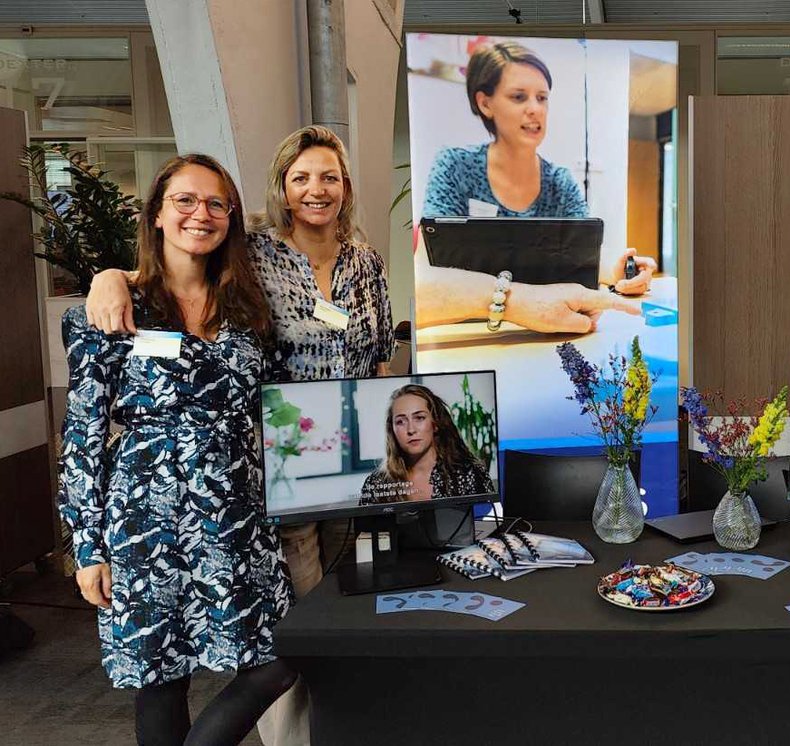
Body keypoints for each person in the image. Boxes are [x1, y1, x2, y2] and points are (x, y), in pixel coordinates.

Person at [85, 125, 393, 746]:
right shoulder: (253, 254)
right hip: (275, 469)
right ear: (282, 187)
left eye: (329, 176)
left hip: (353, 466)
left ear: (347, 186)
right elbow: (179, 258)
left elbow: (381, 358)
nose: (316, 189)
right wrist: (109, 275)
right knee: (289, 634)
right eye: (301, 177)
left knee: (343, 616)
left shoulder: (366, 262)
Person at [59, 154, 295, 745]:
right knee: (161, 679)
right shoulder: (111, 309)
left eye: (217, 203)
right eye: (185, 200)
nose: (201, 214)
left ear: (231, 219)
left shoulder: (248, 312)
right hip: (146, 526)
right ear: (158, 214)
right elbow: (83, 436)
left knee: (280, 657)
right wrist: (87, 546)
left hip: (236, 520)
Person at [415, 40, 651, 333]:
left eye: (542, 98)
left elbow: (579, 261)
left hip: (549, 333)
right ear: (485, 103)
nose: (534, 110)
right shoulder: (454, 167)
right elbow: (425, 274)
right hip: (466, 332)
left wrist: (617, 272)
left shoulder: (560, 182)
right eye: (518, 97)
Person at [359, 385, 494, 504]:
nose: (411, 430)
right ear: (392, 430)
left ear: (435, 424)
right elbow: (365, 532)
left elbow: (489, 525)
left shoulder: (469, 473)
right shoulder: (376, 483)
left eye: (419, 418)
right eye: (400, 422)